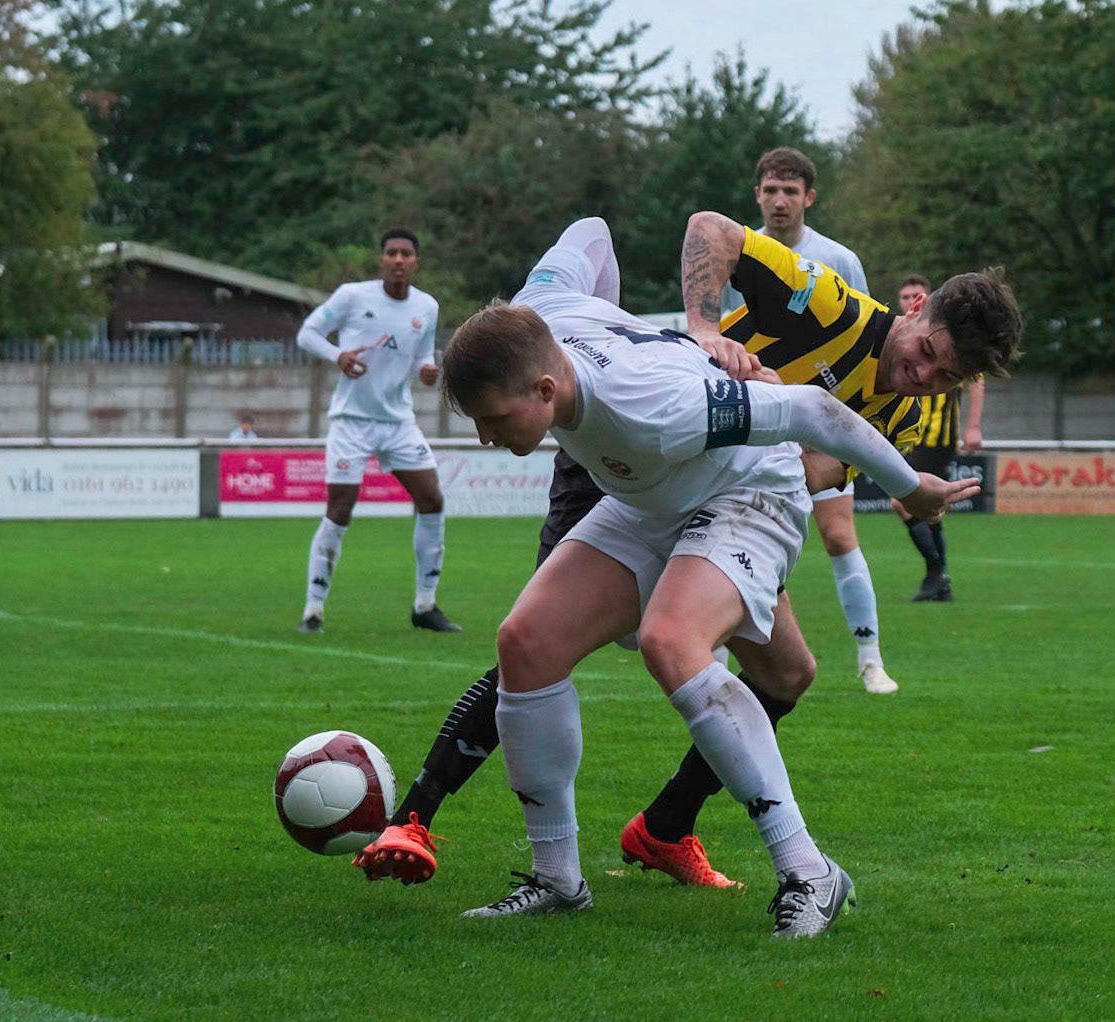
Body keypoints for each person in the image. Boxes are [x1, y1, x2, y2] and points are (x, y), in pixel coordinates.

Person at [354, 211, 1019, 901]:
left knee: (703, 650)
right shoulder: (826, 304)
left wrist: (886, 476)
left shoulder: (891, 416)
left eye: (949, 375)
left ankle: (769, 858)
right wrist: (698, 332)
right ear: (916, 310)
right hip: (642, 461)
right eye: (929, 349)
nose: (927, 373)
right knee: (534, 642)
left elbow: (814, 453)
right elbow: (698, 228)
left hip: (733, 481)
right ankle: (504, 849)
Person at [722, 147, 896, 694]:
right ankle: (717, 666)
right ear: (757, 194)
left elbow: (867, 345)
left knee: (840, 535)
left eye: (790, 192)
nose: (779, 201)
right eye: (770, 190)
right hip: (751, 427)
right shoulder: (735, 253)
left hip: (817, 427)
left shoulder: (839, 260)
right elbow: (719, 339)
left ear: (809, 198)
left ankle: (870, 659)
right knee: (727, 540)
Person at [293, 228, 459, 634]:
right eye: (392, 253)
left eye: (406, 253)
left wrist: (426, 370)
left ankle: (425, 605)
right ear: (381, 260)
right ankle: (313, 610)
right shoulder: (353, 296)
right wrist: (338, 355)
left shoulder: (427, 306)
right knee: (340, 509)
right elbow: (307, 334)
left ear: (416, 262)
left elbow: (422, 357)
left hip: (398, 421)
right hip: (351, 422)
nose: (399, 259)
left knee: (433, 500)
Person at [887, 274, 987, 602]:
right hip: (911, 436)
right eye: (903, 296)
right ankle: (938, 579)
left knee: (901, 500)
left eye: (914, 294)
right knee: (927, 508)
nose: (908, 300)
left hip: (937, 437)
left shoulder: (944, 340)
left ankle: (936, 573)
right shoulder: (902, 338)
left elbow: (976, 379)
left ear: (926, 298)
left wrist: (973, 426)